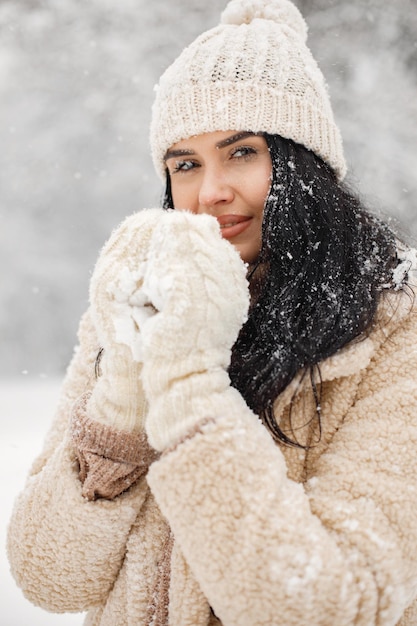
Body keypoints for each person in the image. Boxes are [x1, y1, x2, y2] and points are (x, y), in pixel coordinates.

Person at [7, 0, 417, 624]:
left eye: (243, 153)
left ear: (302, 163)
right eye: (186, 164)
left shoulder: (396, 325)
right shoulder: (137, 311)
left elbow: (327, 601)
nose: (210, 190)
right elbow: (51, 579)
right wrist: (124, 392)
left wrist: (187, 384)